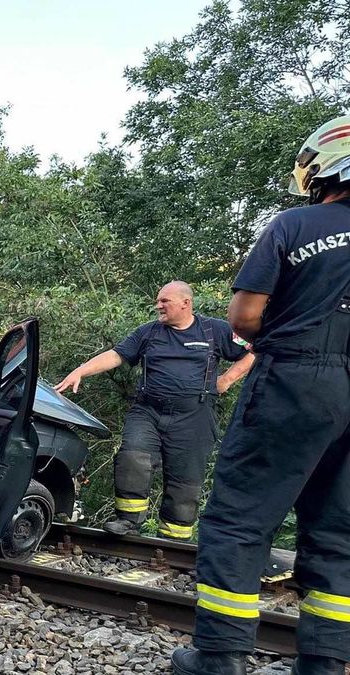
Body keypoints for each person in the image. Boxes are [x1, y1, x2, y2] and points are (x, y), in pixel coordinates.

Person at [172, 115, 350, 675]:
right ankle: (324, 663)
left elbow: (245, 316)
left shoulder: (295, 225)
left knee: (239, 519)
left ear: (324, 164)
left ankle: (220, 655)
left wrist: (280, 342)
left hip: (295, 379)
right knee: (338, 530)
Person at [55, 281, 255, 541]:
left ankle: (174, 540)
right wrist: (81, 370)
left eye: (164, 301)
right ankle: (128, 521)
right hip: (147, 411)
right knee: (132, 457)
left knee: (185, 479)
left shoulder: (215, 330)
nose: (158, 306)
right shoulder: (148, 332)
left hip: (194, 416)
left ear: (186, 303)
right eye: (158, 300)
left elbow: (256, 349)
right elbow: (116, 355)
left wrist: (227, 380)